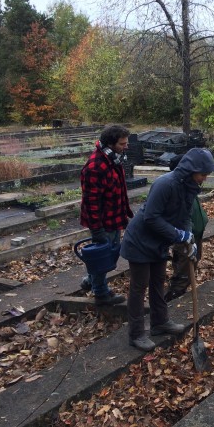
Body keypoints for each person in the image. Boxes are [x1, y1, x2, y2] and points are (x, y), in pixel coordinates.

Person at [120, 148, 214, 352]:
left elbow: (185, 216)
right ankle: (136, 334)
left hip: (160, 241)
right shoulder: (165, 184)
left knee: (158, 281)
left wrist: (188, 238)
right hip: (140, 240)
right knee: (139, 287)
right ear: (192, 169)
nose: (205, 179)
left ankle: (160, 322)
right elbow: (151, 217)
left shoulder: (190, 186)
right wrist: (178, 235)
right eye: (203, 174)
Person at [79, 124, 133, 306]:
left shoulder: (112, 159)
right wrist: (97, 230)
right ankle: (101, 292)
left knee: (110, 254)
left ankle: (89, 280)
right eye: (122, 143)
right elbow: (91, 202)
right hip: (103, 222)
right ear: (110, 144)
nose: (126, 147)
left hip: (115, 217)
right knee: (103, 257)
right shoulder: (95, 167)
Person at [164, 153, 208, 301]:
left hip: (195, 232)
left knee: (194, 260)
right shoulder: (176, 189)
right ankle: (175, 293)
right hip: (184, 235)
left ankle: (180, 288)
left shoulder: (191, 188)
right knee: (184, 265)